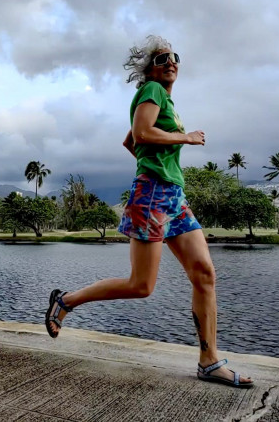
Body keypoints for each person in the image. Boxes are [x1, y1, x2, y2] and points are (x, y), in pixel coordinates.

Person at [45, 35, 253, 388]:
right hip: (153, 195)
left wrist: (153, 162)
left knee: (204, 273)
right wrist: (185, 139)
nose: (170, 62)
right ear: (150, 70)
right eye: (161, 59)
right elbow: (141, 134)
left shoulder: (165, 101)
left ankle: (209, 361)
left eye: (174, 57)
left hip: (173, 196)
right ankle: (65, 301)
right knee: (141, 285)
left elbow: (131, 141)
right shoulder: (153, 91)